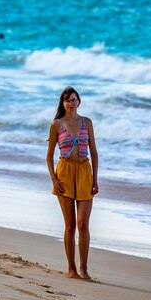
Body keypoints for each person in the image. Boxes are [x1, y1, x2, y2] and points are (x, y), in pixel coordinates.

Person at [46, 86, 98, 280]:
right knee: (70, 224)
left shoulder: (87, 122)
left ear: (79, 101)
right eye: (67, 100)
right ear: (63, 103)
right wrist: (54, 178)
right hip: (65, 173)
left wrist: (95, 178)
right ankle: (72, 269)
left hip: (85, 172)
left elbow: (94, 152)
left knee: (83, 224)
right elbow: (49, 155)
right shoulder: (56, 125)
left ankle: (84, 270)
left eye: (73, 99)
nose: (71, 103)